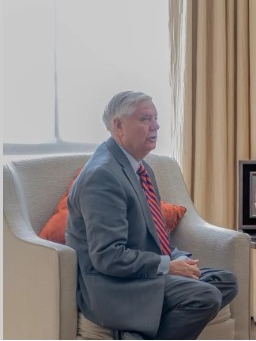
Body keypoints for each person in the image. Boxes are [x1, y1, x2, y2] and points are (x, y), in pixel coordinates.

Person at [66, 91, 239, 340]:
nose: (156, 126)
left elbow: (154, 236)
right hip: (114, 287)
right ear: (118, 126)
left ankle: (134, 334)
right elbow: (108, 257)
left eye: (155, 118)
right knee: (206, 296)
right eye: (146, 119)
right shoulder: (103, 176)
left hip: (143, 275)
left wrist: (178, 260)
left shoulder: (141, 167)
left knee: (225, 281)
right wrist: (167, 266)